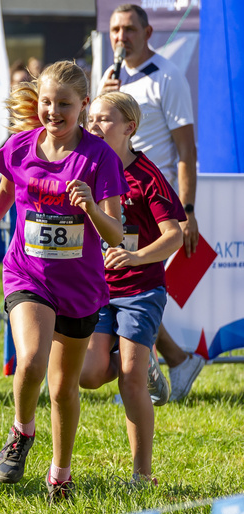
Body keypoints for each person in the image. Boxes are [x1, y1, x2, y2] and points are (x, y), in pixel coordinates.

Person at [0, 61, 126, 502]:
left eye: (64, 104)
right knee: (30, 360)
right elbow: (5, 193)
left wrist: (90, 208)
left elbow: (116, 234)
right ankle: (21, 431)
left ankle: (60, 474)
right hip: (27, 273)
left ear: (84, 105)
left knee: (64, 388)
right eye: (46, 102)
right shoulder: (19, 147)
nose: (53, 112)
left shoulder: (99, 157)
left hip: (81, 285)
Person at [80, 91, 185, 485]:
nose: (94, 126)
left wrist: (137, 257)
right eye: (91, 119)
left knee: (130, 379)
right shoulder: (83, 168)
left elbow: (173, 236)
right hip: (95, 289)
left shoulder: (147, 175)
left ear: (130, 128)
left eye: (105, 119)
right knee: (88, 376)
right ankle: (139, 359)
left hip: (140, 289)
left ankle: (141, 476)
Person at [100, 3, 204, 399]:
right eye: (114, 30)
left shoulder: (168, 77)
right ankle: (169, 361)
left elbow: (185, 150)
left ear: (148, 33)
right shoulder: (109, 77)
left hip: (151, 204)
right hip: (113, 199)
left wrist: (188, 210)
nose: (120, 37)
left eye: (128, 29)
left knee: (136, 285)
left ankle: (145, 365)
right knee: (119, 284)